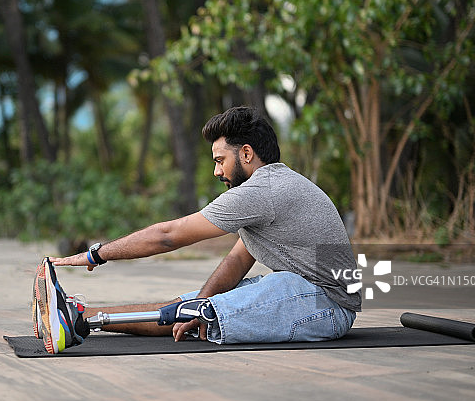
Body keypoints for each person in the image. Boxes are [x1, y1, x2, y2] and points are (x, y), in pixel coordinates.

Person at [33, 106, 361, 354]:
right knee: (187, 309)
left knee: (213, 310)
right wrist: (197, 305)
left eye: (220, 160)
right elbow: (236, 261)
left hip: (327, 305)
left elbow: (168, 235)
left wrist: (96, 254)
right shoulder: (273, 189)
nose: (217, 170)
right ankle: (76, 316)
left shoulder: (262, 191)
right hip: (303, 294)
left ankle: (79, 317)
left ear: (246, 153)